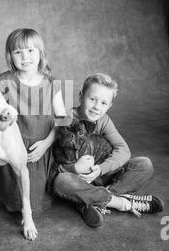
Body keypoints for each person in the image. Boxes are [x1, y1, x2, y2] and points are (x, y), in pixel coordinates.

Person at [50, 73, 164, 228]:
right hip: (78, 178)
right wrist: (75, 168)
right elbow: (53, 159)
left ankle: (92, 200)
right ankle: (120, 202)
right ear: (81, 96)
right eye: (92, 99)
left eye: (104, 103)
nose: (97, 106)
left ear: (109, 106)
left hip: (103, 175)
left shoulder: (103, 120)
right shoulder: (67, 119)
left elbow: (123, 150)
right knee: (61, 181)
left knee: (144, 164)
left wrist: (101, 169)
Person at [0, 28, 66, 214]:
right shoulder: (2, 82)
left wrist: (46, 144)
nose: (25, 57)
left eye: (31, 50)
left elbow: (62, 120)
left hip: (39, 147)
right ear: (10, 56)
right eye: (18, 52)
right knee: (13, 197)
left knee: (35, 200)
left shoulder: (52, 84)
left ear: (40, 53)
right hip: (13, 145)